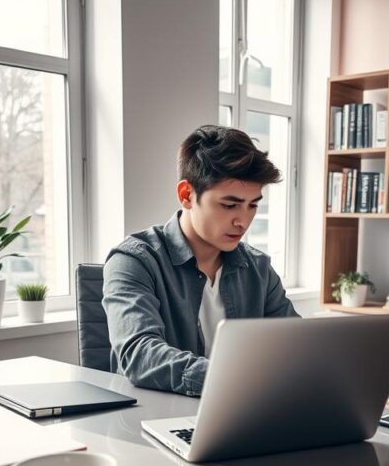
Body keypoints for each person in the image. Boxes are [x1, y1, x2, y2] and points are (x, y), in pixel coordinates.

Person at [103, 125, 299, 396]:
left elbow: (297, 346)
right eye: (229, 205)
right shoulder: (134, 261)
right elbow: (139, 355)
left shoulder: (259, 269)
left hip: (246, 412)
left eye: (253, 205)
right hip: (155, 422)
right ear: (186, 195)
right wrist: (235, 379)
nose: (243, 221)